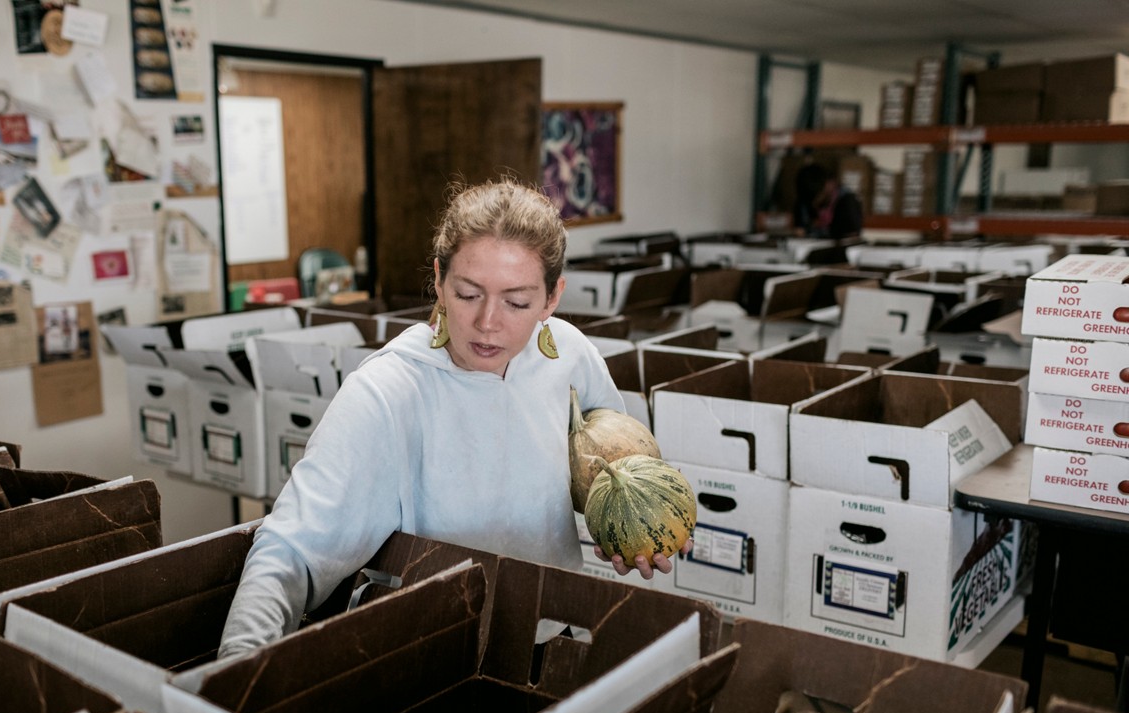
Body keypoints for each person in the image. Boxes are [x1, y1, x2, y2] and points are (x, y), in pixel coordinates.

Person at [219, 176, 679, 659]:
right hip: (435, 655)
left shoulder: (570, 358)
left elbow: (616, 470)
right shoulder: (388, 390)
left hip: (552, 635)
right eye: (467, 293)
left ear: (552, 297)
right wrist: (237, 671)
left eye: (517, 302)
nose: (487, 322)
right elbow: (291, 547)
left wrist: (624, 531)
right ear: (439, 279)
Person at [793, 161, 864, 240]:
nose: (814, 205)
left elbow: (852, 239)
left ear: (828, 185)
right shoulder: (804, 200)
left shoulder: (847, 202)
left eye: (818, 198)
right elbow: (799, 232)